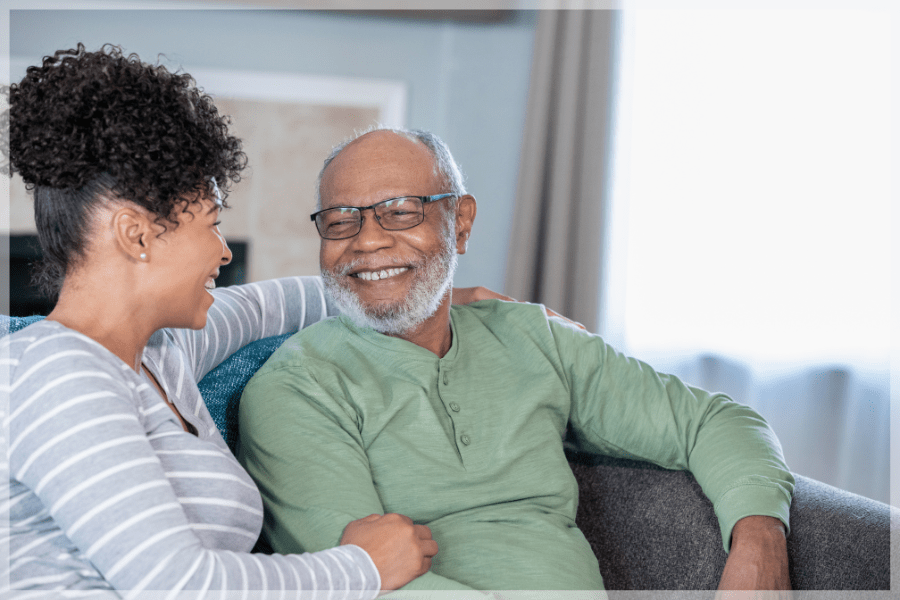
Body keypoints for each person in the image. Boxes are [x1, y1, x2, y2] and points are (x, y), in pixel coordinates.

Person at [0, 45, 501, 597]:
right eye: (212, 224)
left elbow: (276, 304)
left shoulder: (162, 356)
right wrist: (363, 566)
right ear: (136, 235)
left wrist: (418, 294)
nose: (222, 253)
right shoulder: (60, 373)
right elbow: (181, 585)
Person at [237, 127, 796, 595]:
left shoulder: (535, 339)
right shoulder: (295, 389)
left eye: (400, 213)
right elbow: (359, 582)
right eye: (341, 220)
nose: (367, 241)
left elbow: (712, 421)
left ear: (459, 222)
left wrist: (760, 539)